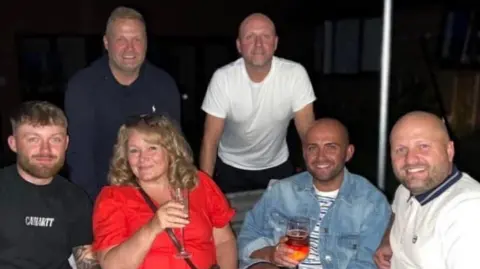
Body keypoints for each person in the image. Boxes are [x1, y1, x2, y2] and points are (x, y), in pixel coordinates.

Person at [237, 118, 391, 269]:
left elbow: (368, 263)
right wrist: (271, 254)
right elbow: (248, 237)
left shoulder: (371, 202)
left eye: (331, 147)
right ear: (304, 153)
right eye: (312, 148)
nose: (320, 157)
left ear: (348, 153)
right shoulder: (282, 192)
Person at [92, 114, 237, 269]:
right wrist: (153, 227)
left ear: (171, 151)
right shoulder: (113, 198)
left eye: (152, 148)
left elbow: (224, 241)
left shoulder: (199, 183)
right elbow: (112, 266)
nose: (143, 158)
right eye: (134, 151)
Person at [64, 6, 181, 200]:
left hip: (155, 196)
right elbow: (79, 159)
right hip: (102, 194)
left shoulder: (164, 85)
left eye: (137, 39)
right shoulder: (83, 87)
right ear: (106, 43)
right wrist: (94, 208)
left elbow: (174, 149)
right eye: (121, 40)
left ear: (146, 43)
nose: (130, 48)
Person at [200, 13, 316, 193]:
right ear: (239, 45)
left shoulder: (295, 74)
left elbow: (308, 135)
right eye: (250, 37)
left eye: (265, 36)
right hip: (231, 168)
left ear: (275, 43)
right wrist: (204, 191)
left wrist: (315, 181)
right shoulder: (223, 78)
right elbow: (210, 141)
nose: (258, 44)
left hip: (277, 166)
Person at [374, 111, 480, 269]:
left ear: (449, 151)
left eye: (423, 146)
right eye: (401, 150)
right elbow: (397, 212)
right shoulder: (404, 190)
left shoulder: (468, 212)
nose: (410, 159)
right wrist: (388, 239)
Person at [0, 101, 98, 268]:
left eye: (55, 139)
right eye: (33, 139)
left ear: (66, 143)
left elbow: (86, 262)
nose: (45, 150)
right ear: (13, 143)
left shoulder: (76, 198)